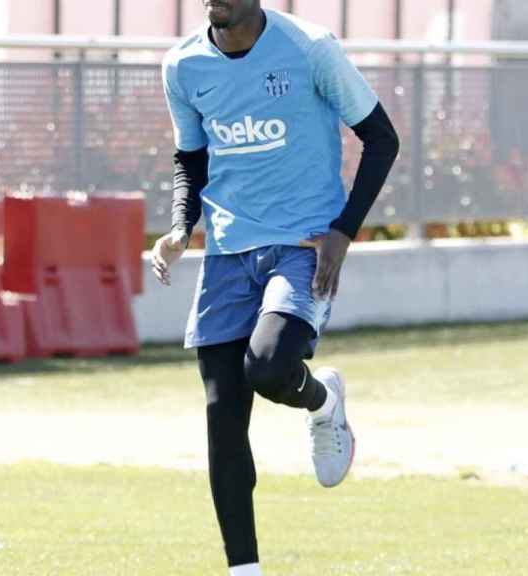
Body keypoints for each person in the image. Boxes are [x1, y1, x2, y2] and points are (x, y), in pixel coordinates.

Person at [150, 2, 399, 574]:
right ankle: (245, 570)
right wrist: (178, 227)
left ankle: (324, 400)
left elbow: (381, 138)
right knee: (221, 412)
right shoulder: (182, 65)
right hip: (227, 254)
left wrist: (344, 231)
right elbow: (191, 158)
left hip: (302, 246)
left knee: (265, 368)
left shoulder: (311, 48)